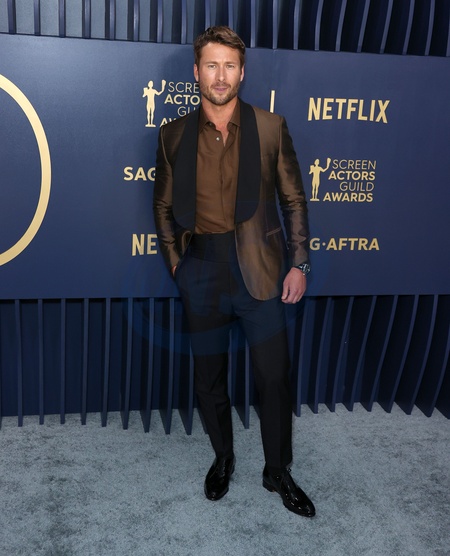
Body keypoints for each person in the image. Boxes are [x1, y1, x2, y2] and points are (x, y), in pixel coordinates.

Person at [153, 26, 315, 517]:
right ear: (196, 71)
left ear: (242, 72)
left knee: (274, 376)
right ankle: (223, 457)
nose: (220, 76)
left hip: (260, 269)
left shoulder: (270, 127)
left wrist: (299, 262)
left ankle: (277, 470)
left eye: (229, 66)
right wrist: (177, 264)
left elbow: (293, 199)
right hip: (200, 268)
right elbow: (162, 206)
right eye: (211, 65)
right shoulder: (173, 134)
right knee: (209, 378)